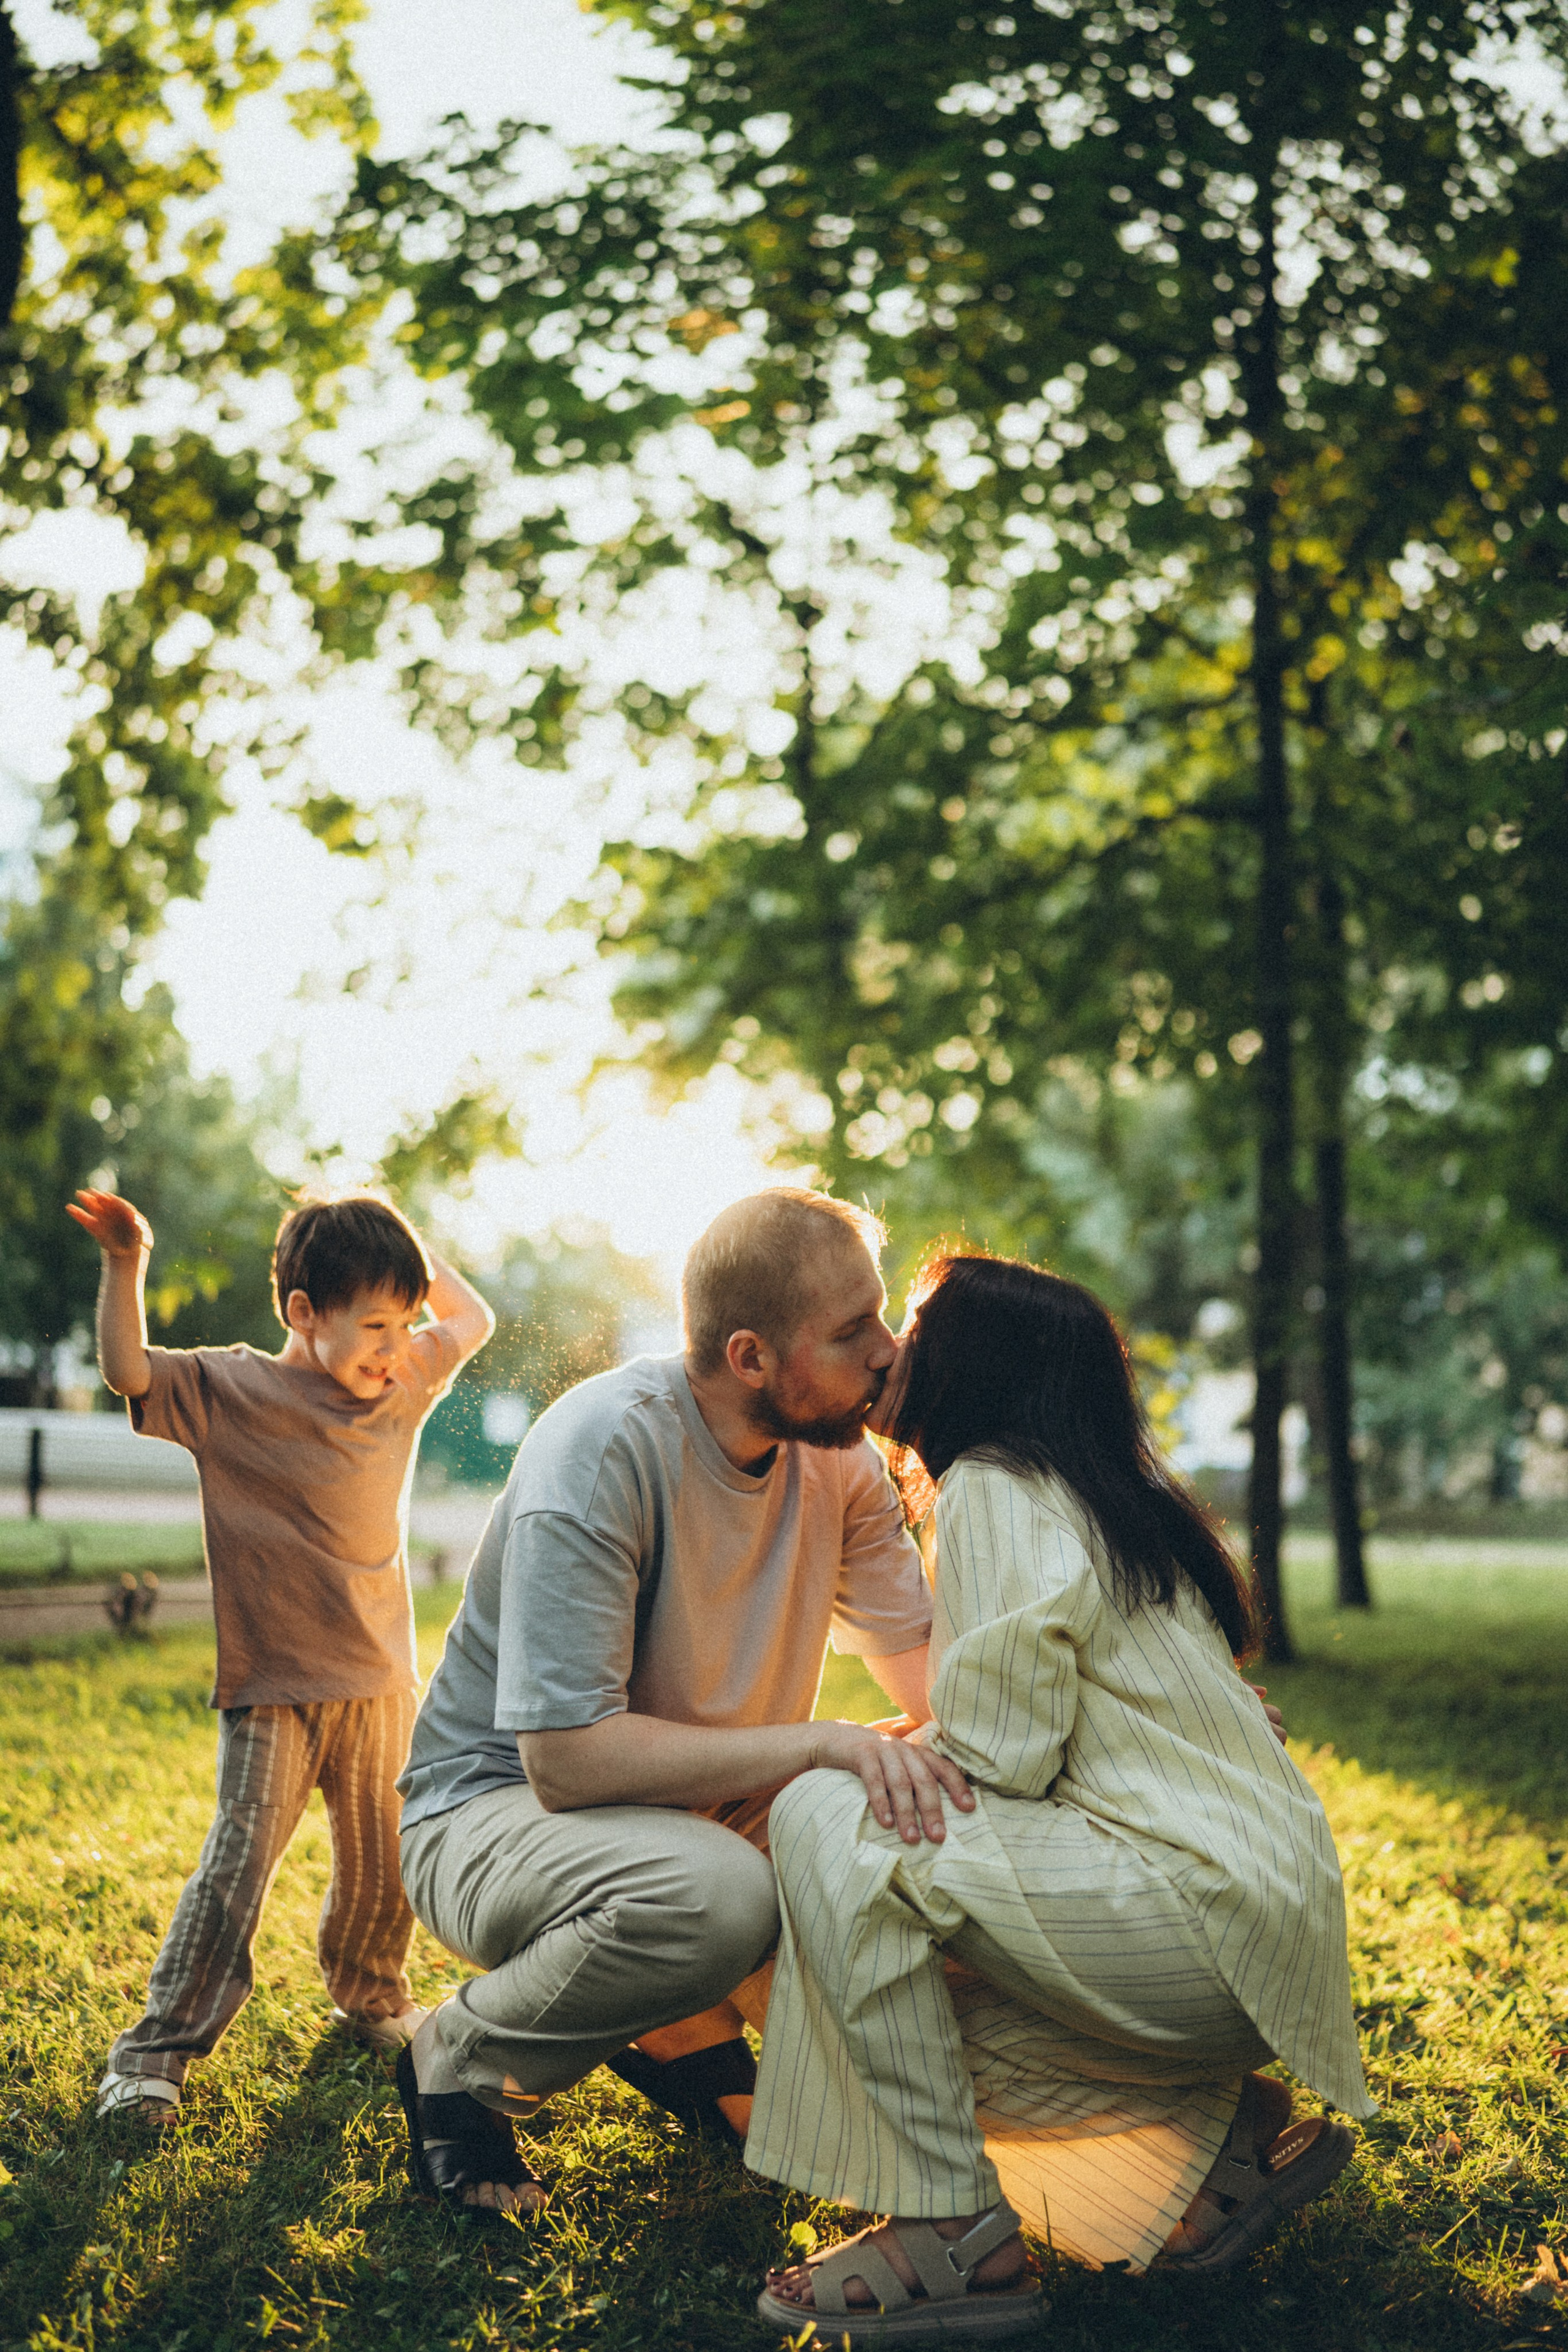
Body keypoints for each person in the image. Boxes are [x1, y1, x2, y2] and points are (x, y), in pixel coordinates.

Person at [750, 1254, 1375, 2343]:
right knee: (891, 1998)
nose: (891, 1346)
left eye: (917, 1322)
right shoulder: (1102, 1503)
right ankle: (1207, 2141)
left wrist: (853, 1753)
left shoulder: (995, 1484)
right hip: (1253, 1937)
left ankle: (952, 2227)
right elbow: (1037, 1727)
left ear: (982, 1365)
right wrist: (902, 1742)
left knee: (822, 1815)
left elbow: (1001, 1755)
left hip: (1187, 1914)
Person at [392, 1187, 973, 2219]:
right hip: (489, 1814)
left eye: (879, 1316)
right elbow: (565, 1762)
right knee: (719, 1895)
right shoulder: (602, 1449)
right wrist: (818, 1747)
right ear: (751, 1357)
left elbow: (935, 1676)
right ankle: (459, 2057)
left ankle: (677, 2022)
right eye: (852, 1332)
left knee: (921, 1805)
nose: (889, 1352)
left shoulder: (838, 1459)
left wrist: (1144, 1709)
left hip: (688, 1812)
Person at [69, 1185, 495, 2127]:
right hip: (274, 1686)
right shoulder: (232, 1389)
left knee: (386, 1859)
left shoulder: (405, 1379)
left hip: (382, 1679)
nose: (396, 1346)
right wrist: (126, 1262)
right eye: (374, 1324)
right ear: (303, 1315)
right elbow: (128, 1368)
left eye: (405, 1319)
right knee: (238, 1862)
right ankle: (154, 2053)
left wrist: (407, 1251)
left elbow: (475, 1316)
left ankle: (372, 1995)